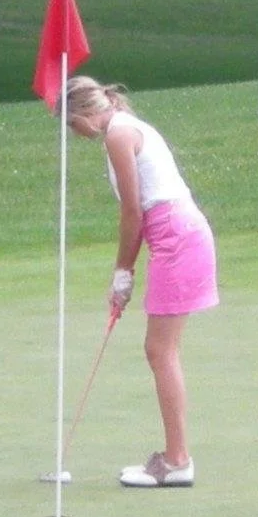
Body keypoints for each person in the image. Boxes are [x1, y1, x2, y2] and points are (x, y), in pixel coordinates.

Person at [58, 76, 219, 488]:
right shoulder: (127, 126)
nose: (73, 133)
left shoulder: (117, 135)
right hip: (177, 232)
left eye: (70, 124)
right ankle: (175, 457)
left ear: (83, 115)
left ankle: (178, 461)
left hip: (175, 235)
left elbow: (133, 212)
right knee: (159, 349)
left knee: (160, 350)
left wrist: (122, 274)